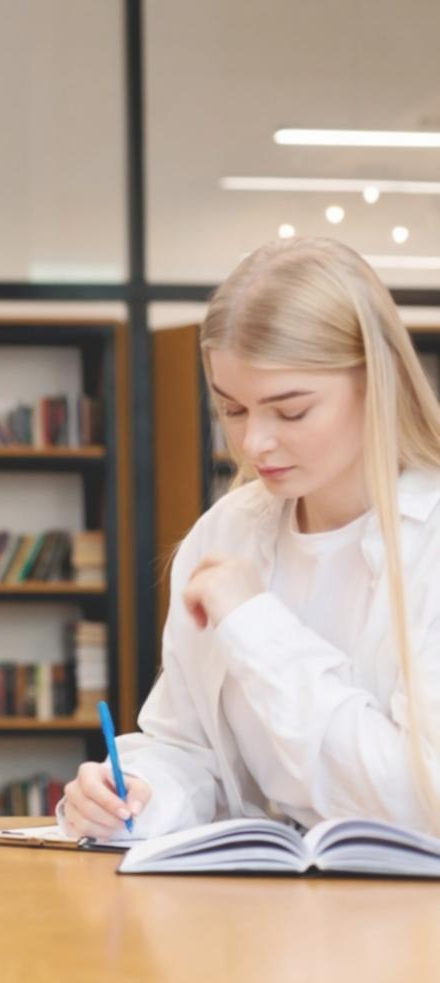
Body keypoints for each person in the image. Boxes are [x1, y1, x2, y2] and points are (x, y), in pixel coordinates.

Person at [61, 237, 440, 839]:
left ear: (377, 381)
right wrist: (137, 793)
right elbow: (190, 746)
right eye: (232, 410)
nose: (254, 444)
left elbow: (420, 801)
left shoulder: (429, 541)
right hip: (254, 909)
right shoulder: (227, 531)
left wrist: (259, 628)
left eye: (290, 412)